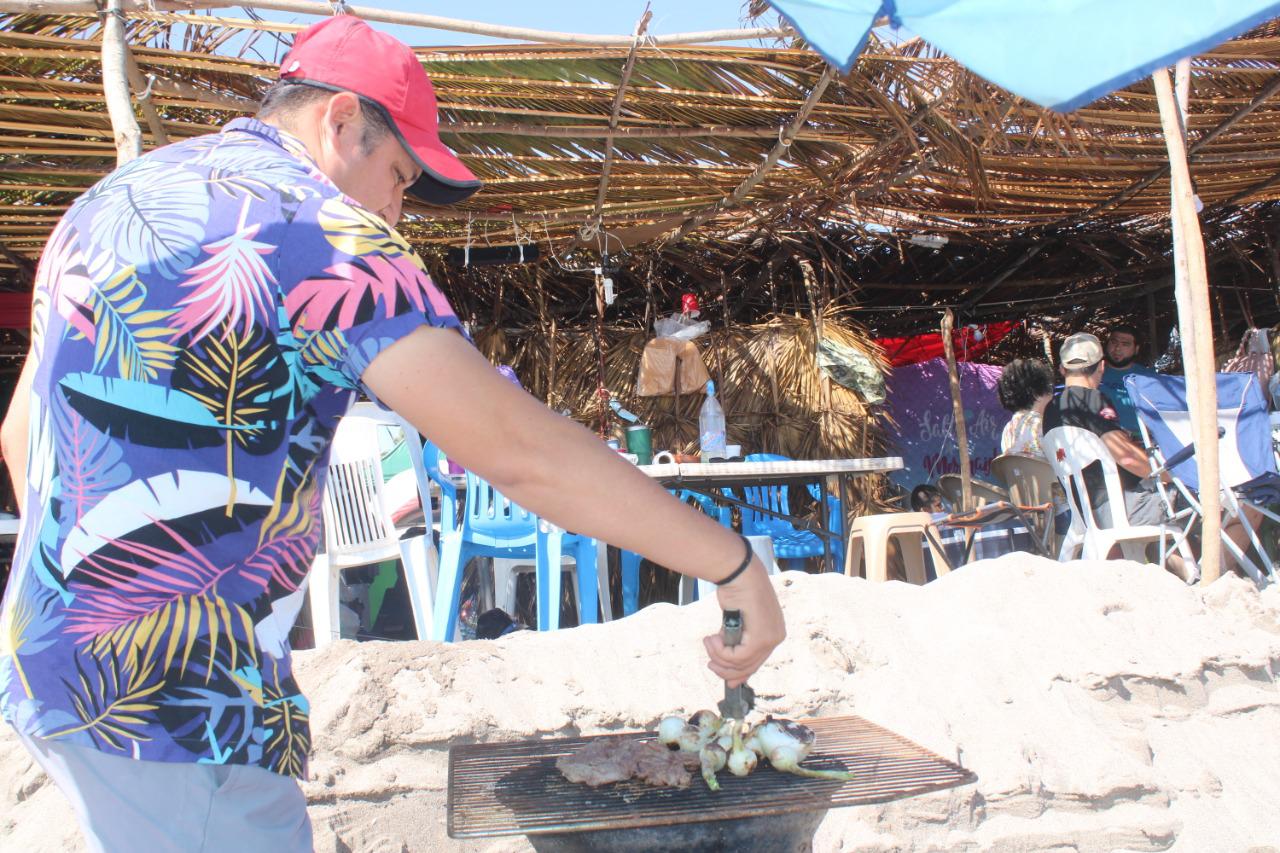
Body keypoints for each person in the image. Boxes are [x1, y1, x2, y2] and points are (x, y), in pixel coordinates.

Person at [0, 16, 785, 852]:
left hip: (49, 665)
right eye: (398, 175)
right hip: (176, 701)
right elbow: (515, 451)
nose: (396, 209)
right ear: (340, 122)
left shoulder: (111, 202)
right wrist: (732, 565)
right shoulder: (319, 230)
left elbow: (22, 436)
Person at [1099, 323, 1157, 435]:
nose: (1117, 348)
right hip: (1101, 439)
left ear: (1136, 349)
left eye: (1125, 344)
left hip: (1141, 442)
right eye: (1113, 342)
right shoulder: (1094, 373)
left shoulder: (1148, 377)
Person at [996, 358, 1055, 457]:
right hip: (1045, 472)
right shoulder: (1043, 425)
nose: (1052, 396)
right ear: (1037, 394)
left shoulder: (1008, 428)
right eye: (1049, 390)